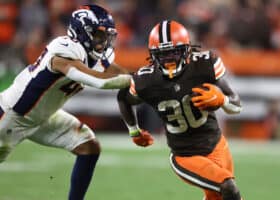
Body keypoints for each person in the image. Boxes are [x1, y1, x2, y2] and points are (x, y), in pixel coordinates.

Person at [0, 4, 131, 200]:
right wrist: (134, 82)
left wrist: (142, 79)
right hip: (10, 116)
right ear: (82, 32)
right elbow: (97, 80)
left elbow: (113, 70)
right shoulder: (64, 48)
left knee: (88, 145)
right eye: (98, 35)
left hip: (43, 116)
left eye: (106, 36)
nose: (103, 42)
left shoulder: (93, 54)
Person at [117, 20, 243, 200]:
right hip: (185, 156)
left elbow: (236, 105)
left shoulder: (205, 65)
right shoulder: (146, 80)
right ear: (153, 56)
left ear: (187, 49)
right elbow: (123, 98)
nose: (168, 60)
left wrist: (222, 100)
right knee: (228, 188)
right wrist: (133, 131)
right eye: (163, 54)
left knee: (216, 197)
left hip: (217, 145)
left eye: (174, 53)